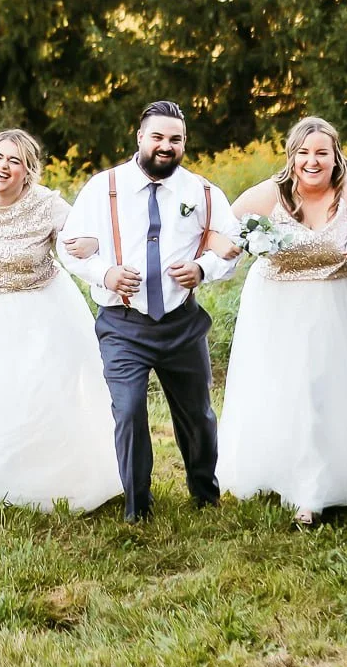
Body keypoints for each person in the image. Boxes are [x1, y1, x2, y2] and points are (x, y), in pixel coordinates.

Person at [215, 117, 347, 527]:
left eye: (322, 152)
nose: (312, 161)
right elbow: (222, 231)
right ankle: (292, 476)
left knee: (326, 391)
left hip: (339, 305)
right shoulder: (271, 193)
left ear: (336, 156)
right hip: (278, 309)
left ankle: (317, 488)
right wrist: (225, 253)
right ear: (291, 155)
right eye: (304, 152)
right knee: (291, 392)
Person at [58, 101, 237, 523]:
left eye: (175, 139)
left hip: (181, 321)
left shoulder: (203, 193)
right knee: (130, 409)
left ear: (184, 143)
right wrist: (105, 272)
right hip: (123, 324)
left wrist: (202, 268)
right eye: (157, 137)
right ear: (139, 138)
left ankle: (204, 494)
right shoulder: (102, 188)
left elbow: (231, 246)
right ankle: (138, 505)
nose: (165, 146)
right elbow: (70, 247)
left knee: (198, 415)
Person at [0, 129, 121, 513]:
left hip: (39, 314)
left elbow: (81, 236)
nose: (4, 166)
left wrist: (93, 245)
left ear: (28, 170)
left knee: (35, 398)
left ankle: (53, 484)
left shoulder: (46, 204)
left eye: (15, 161)